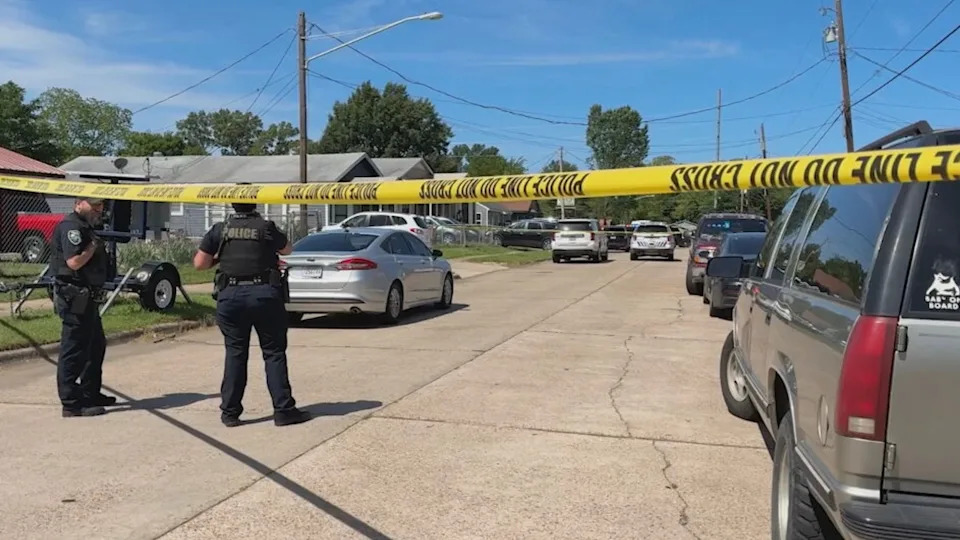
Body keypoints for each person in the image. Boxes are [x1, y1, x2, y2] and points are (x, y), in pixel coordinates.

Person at [193, 200, 311, 428]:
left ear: (233, 204)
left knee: (236, 354)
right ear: (254, 202)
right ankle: (283, 410)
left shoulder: (220, 229)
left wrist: (220, 257)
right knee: (274, 353)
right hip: (264, 295)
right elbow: (288, 249)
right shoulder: (266, 227)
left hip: (231, 296)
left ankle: (230, 413)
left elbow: (200, 263)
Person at [51, 196, 114, 417]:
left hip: (87, 297)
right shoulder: (72, 227)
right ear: (78, 203)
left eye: (101, 206)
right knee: (74, 348)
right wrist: (93, 245)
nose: (99, 209)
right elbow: (74, 262)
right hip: (74, 296)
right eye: (94, 205)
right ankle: (71, 402)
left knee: (95, 345)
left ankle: (90, 393)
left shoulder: (87, 227)